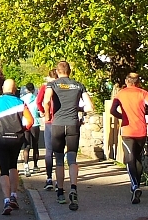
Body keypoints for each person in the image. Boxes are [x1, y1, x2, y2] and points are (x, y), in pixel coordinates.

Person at [42, 60, 94, 211]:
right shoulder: (78, 85)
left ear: (57, 72)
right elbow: (90, 106)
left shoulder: (52, 85)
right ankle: (73, 188)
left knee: (58, 160)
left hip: (57, 124)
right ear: (70, 71)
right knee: (72, 158)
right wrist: (78, 110)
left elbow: (46, 101)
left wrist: (47, 115)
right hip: (72, 124)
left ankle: (59, 192)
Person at [110, 72, 148, 204]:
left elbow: (112, 110)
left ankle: (135, 186)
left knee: (129, 159)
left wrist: (122, 117)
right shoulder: (143, 93)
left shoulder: (121, 94)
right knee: (137, 158)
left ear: (126, 82)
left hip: (127, 131)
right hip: (141, 131)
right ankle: (137, 184)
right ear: (138, 82)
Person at [0, 79, 34, 215]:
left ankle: (6, 200)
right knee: (13, 165)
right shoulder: (21, 103)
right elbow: (30, 121)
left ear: (3, 88)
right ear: (14, 90)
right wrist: (22, 128)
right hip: (16, 138)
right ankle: (14, 195)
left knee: (3, 170)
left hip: (1, 137)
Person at [36, 69, 58, 191]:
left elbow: (38, 101)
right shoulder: (62, 86)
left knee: (49, 151)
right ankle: (59, 181)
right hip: (61, 120)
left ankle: (49, 178)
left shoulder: (45, 87)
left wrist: (43, 112)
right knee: (59, 151)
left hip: (49, 121)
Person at [20, 82, 42, 176]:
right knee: (35, 145)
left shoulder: (22, 100)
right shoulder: (36, 99)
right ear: (33, 90)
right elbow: (39, 111)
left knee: (27, 145)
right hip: (35, 123)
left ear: (26, 90)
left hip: (25, 124)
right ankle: (35, 166)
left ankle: (26, 166)